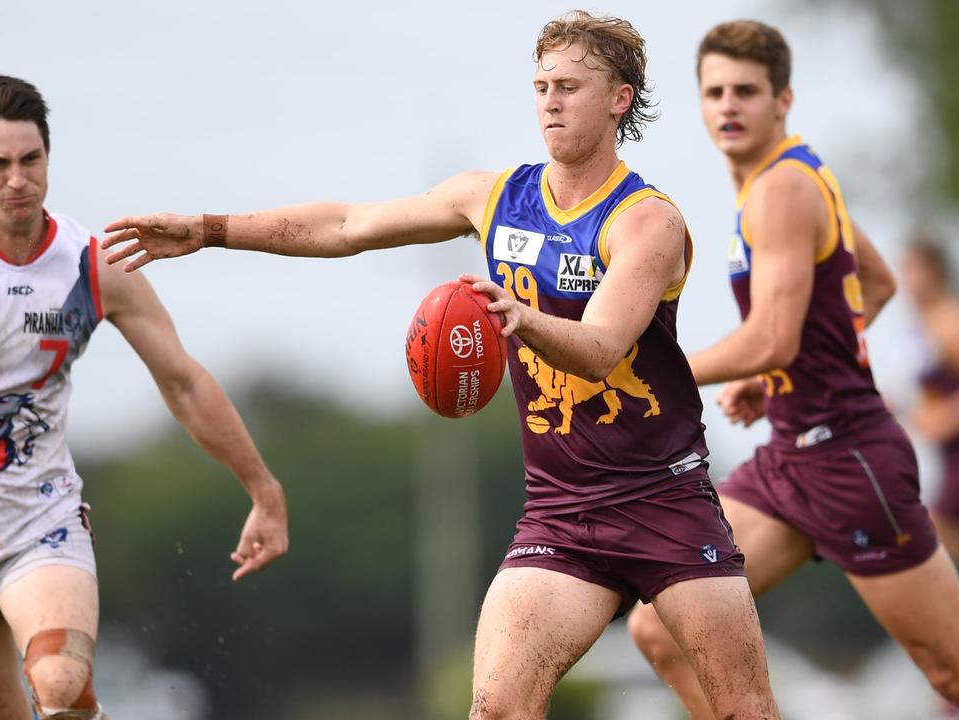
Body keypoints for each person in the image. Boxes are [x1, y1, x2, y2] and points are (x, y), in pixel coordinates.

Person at [100, 11, 780, 719]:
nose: (550, 100)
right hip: (562, 514)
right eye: (542, 85)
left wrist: (523, 319)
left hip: (663, 499)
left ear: (620, 99)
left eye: (571, 87)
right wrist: (211, 231)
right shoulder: (493, 198)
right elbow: (346, 227)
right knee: (495, 708)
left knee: (744, 709)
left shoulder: (647, 222)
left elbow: (605, 347)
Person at [0, 73, 288, 720]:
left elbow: (183, 381)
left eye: (31, 160)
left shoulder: (91, 264)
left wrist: (262, 487)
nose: (17, 179)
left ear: (48, 159)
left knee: (61, 685)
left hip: (42, 517)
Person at [626, 20, 959, 717]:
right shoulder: (778, 182)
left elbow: (772, 338)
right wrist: (773, 373)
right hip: (791, 458)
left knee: (957, 677)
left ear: (783, 100)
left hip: (852, 464)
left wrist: (655, 369)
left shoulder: (783, 189)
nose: (729, 106)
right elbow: (871, 285)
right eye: (715, 92)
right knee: (662, 626)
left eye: (747, 92)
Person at [904, 237, 959, 563]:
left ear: (935, 271)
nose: (904, 278)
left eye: (912, 268)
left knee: (925, 546)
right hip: (948, 461)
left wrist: (945, 420)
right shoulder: (922, 326)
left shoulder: (953, 320)